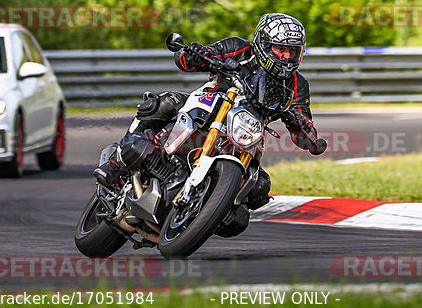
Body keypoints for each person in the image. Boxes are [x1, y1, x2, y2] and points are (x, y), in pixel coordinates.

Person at [93, 13, 324, 212]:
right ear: (264, 44)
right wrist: (195, 54)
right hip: (208, 105)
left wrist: (303, 129)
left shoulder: (297, 84)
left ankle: (210, 211)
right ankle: (115, 163)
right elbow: (190, 59)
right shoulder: (241, 49)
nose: (286, 57)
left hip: (245, 135)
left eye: (292, 52)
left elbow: (305, 127)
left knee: (259, 189)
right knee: (162, 104)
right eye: (280, 49)